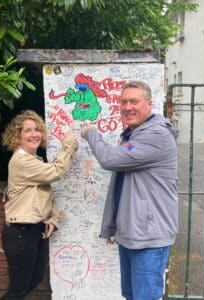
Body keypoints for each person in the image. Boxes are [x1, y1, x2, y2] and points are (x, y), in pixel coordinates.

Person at [80, 81, 178, 300]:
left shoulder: (156, 135)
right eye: (123, 102)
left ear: (150, 104)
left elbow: (109, 159)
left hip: (149, 238)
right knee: (132, 296)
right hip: (133, 234)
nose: (128, 107)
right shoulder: (134, 134)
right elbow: (124, 188)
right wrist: (115, 227)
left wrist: (91, 134)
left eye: (134, 101)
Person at [0, 110, 78, 299]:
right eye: (27, 130)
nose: (34, 134)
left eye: (37, 129)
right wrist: (69, 147)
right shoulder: (21, 161)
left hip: (33, 230)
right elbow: (55, 172)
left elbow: (42, 195)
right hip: (20, 233)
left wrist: (53, 217)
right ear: (17, 136)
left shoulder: (34, 160)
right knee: (17, 290)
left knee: (34, 279)